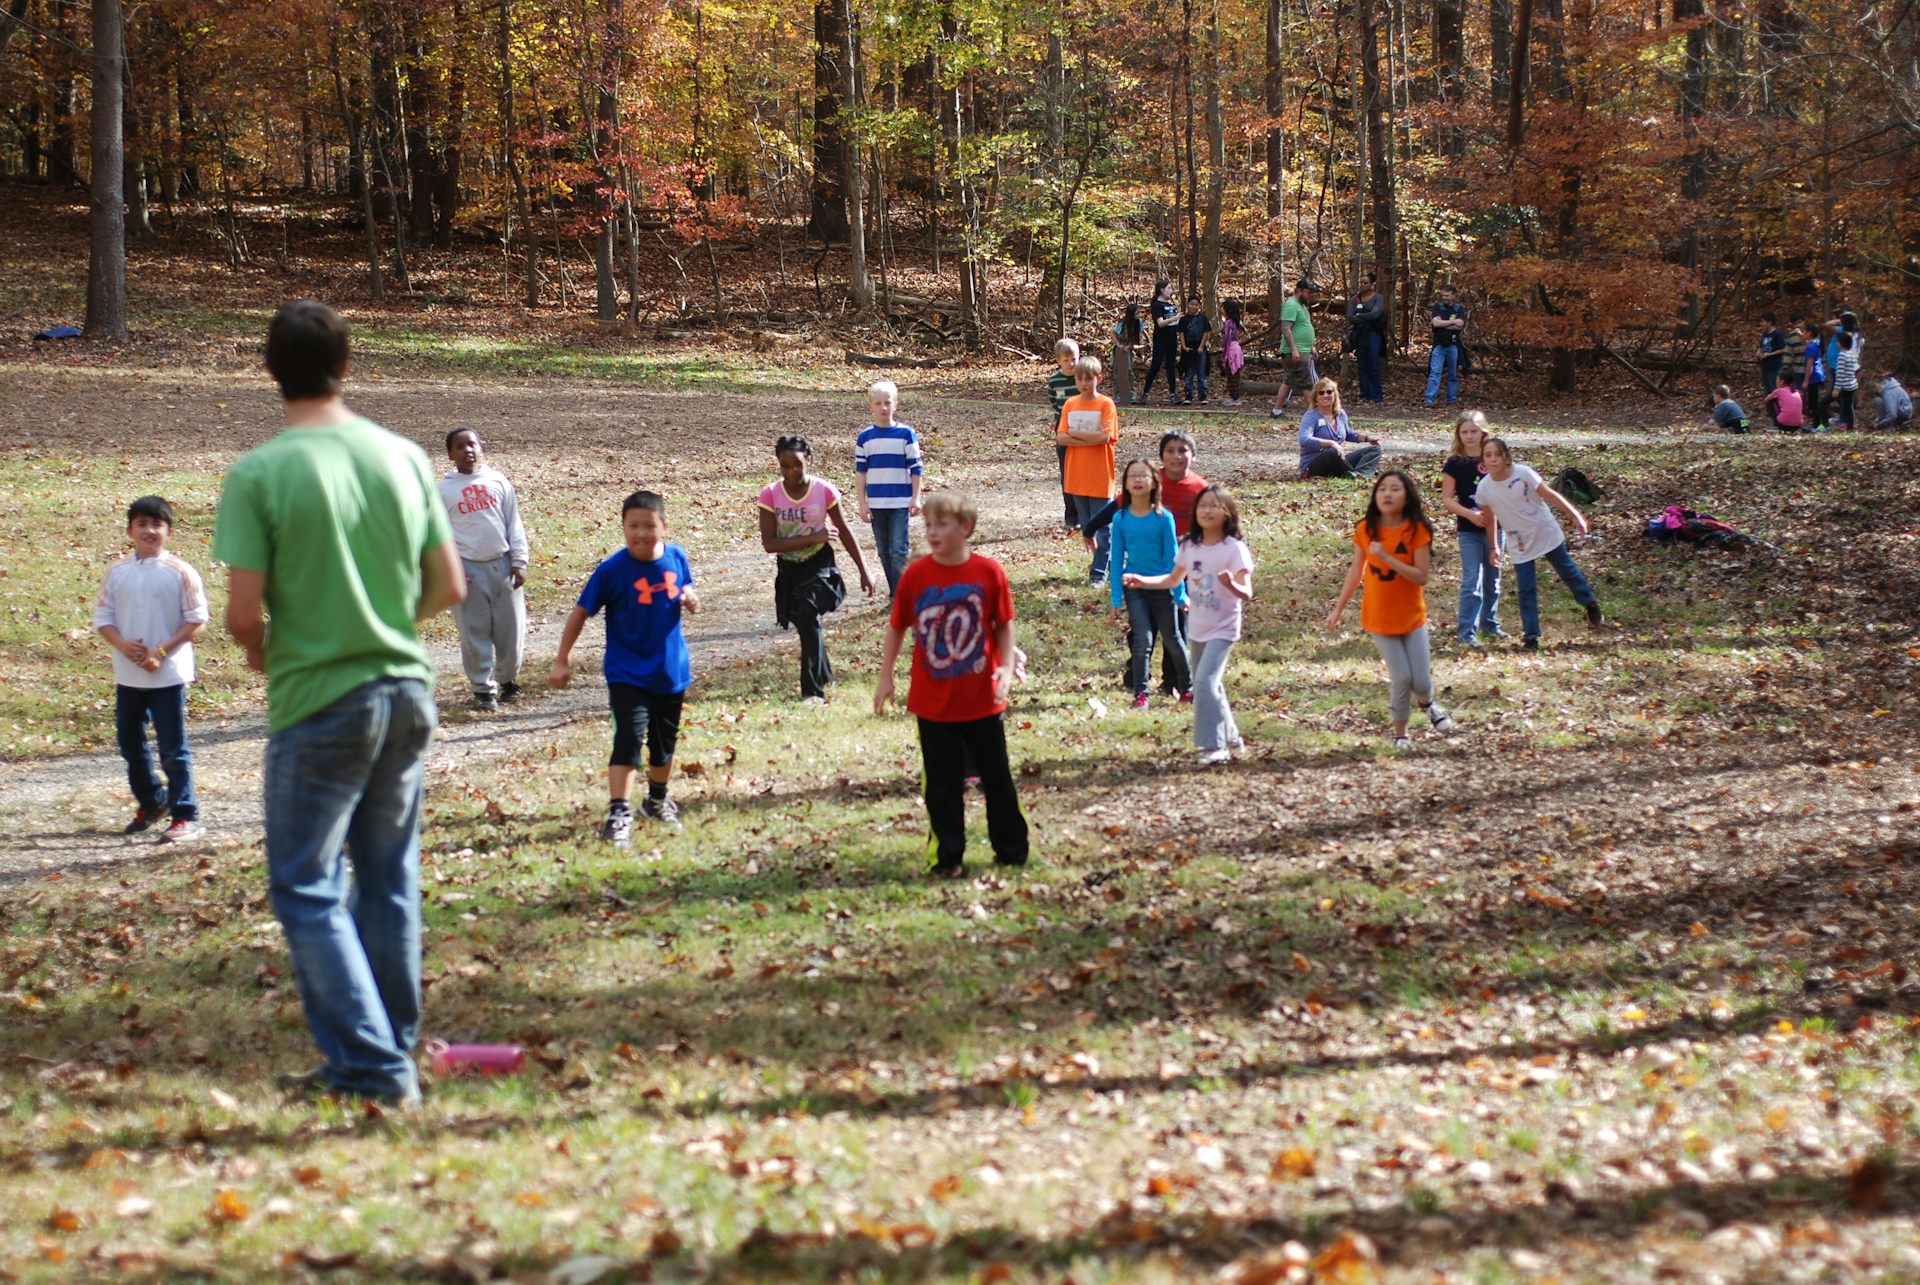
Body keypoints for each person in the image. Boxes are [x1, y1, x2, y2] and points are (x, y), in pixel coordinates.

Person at [215, 299, 466, 1108]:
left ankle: (372, 1065)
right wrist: (383, 623)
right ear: (347, 364)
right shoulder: (401, 457)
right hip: (404, 690)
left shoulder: (259, 473)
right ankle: (390, 1051)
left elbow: (244, 618)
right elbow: (449, 586)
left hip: (321, 701)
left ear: (270, 371)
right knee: (389, 875)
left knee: (305, 884)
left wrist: (274, 651)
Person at [873, 491, 1029, 877]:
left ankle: (1011, 850)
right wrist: (885, 678)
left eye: (942, 524)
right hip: (933, 702)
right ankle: (947, 858)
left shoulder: (988, 572)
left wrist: (1005, 669)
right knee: (941, 787)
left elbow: (1004, 625)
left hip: (981, 700)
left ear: (966, 528)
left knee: (996, 779)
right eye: (927, 525)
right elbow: (897, 627)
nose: (933, 532)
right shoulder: (916, 575)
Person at [550, 490, 699, 845]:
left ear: (663, 526)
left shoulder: (676, 556)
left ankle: (657, 801)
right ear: (623, 528)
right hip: (627, 673)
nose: (641, 533)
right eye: (633, 526)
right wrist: (562, 659)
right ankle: (619, 813)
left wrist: (692, 597)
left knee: (664, 746)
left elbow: (688, 587)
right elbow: (580, 612)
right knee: (628, 739)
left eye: (649, 525)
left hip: (671, 672)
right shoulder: (612, 570)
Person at [94, 495, 209, 841]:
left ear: (169, 531)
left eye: (157, 524)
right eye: (142, 524)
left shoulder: (181, 571)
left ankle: (185, 814)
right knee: (130, 743)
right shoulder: (117, 572)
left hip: (168, 675)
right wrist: (122, 644)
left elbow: (197, 620)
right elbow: (103, 618)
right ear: (130, 530)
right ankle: (152, 800)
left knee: (173, 748)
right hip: (128, 675)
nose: (149, 530)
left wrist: (162, 650)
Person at [1324, 470, 1456, 751]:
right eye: (1382, 488)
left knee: (1421, 681)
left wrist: (1387, 557)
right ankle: (1401, 735)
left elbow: (1421, 577)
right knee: (1402, 677)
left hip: (1412, 617)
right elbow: (1355, 571)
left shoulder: (1416, 529)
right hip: (1378, 618)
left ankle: (1428, 704)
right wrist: (1338, 610)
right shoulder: (1366, 529)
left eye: (1395, 489)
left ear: (1406, 496)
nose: (1387, 494)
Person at [1127, 485, 1254, 764]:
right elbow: (1172, 580)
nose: (1207, 510)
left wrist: (1231, 583)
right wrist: (1142, 580)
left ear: (1227, 512)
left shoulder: (1234, 549)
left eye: (1214, 505)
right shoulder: (1189, 545)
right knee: (1212, 686)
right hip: (1198, 627)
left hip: (1224, 627)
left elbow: (1247, 593)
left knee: (1204, 683)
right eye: (1202, 505)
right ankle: (1232, 736)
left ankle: (1213, 747)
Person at [1082, 429, 1208, 695]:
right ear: (1161, 456)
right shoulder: (1149, 480)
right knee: (1142, 627)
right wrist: (1090, 528)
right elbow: (1118, 506)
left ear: (1193, 456)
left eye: (1183, 450)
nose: (1176, 456)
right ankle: (1137, 675)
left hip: (1182, 568)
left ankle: (1173, 681)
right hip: (1142, 570)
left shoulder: (1201, 489)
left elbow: (1217, 522)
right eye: (1170, 451)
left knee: (1176, 629)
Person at [757, 434, 874, 703]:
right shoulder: (770, 495)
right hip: (789, 570)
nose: (791, 471)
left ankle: (812, 692)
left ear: (808, 460)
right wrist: (813, 536)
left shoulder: (824, 490)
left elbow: (843, 531)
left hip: (820, 566)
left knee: (809, 613)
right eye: (785, 466)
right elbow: (770, 543)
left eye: (797, 465)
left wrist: (864, 571)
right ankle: (826, 675)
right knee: (803, 622)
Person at [1473, 435, 1604, 651]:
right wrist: (1495, 546)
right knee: (1526, 588)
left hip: (1545, 532)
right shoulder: (1485, 489)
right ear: (1483, 461)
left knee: (1568, 571)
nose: (1493, 459)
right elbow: (1491, 519)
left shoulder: (1524, 473)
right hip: (1520, 543)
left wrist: (1576, 515)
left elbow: (1550, 495)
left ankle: (1589, 602)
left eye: (1498, 455)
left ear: (1506, 457)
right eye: (1488, 456)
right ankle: (1531, 637)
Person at [438, 427, 529, 711]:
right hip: (467, 570)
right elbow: (439, 534)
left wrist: (519, 560)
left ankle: (508, 680)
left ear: (480, 448)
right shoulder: (443, 491)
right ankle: (482, 688)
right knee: (473, 629)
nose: (467, 450)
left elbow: (513, 523)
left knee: (510, 628)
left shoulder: (498, 482)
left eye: (472, 444)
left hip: (501, 565)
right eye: (460, 446)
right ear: (451, 454)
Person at [1111, 459, 1192, 709]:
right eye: (1132, 476)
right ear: (1124, 483)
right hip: (1134, 589)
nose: (1137, 480)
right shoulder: (1121, 519)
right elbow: (1116, 561)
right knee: (1142, 641)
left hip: (1163, 587)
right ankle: (1141, 693)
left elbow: (1173, 559)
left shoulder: (1163, 518)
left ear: (1154, 482)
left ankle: (1187, 687)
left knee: (1173, 637)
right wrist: (1116, 599)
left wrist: (1180, 595)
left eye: (1143, 476)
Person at [1438, 410, 1503, 648]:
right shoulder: (1455, 463)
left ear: (1483, 431)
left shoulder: (1493, 457)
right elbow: (1447, 499)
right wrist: (1470, 514)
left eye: (1474, 431)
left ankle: (1490, 623)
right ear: (1458, 434)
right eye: (1464, 432)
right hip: (1469, 529)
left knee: (1493, 579)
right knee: (1471, 581)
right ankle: (1466, 631)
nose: (1469, 436)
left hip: (1496, 528)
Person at [854, 380, 924, 596]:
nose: (883, 408)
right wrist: (862, 503)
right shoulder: (865, 437)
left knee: (898, 549)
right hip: (876, 502)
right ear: (870, 407)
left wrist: (916, 498)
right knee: (884, 550)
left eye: (887, 403)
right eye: (878, 404)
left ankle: (903, 594)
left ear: (896, 404)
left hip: (900, 502)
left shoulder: (905, 434)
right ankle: (896, 592)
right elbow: (861, 472)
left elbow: (916, 468)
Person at [1056, 355, 1120, 585]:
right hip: (1076, 477)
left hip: (1100, 476)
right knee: (1088, 528)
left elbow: (1105, 436)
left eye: (1088, 379)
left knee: (1103, 527)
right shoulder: (1070, 404)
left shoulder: (1106, 404)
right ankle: (1109, 565)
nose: (1084, 383)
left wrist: (1077, 436)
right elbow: (1061, 437)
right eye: (1080, 379)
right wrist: (1088, 439)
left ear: (1098, 379)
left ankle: (1098, 573)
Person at [1297, 378, 1382, 479]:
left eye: (1329, 392)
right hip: (1313, 466)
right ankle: (1364, 471)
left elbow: (1349, 434)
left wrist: (1368, 438)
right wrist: (1332, 443)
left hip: (1338, 461)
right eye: (1321, 393)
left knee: (1374, 450)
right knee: (1332, 451)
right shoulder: (1311, 416)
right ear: (1316, 397)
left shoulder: (1340, 414)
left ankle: (1359, 474)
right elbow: (1304, 439)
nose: (1325, 395)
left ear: (1335, 395)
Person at [1269, 278, 1320, 417]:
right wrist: (1294, 349)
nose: (1311, 296)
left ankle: (1277, 410)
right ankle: (1313, 414)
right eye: (1309, 292)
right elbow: (1286, 329)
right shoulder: (1291, 305)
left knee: (1288, 381)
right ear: (1299, 290)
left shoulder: (1302, 306)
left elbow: (1304, 327)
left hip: (1304, 349)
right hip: (1296, 351)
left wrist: (1312, 347)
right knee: (1306, 383)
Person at [1047, 339, 1081, 527]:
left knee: (1083, 470)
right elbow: (1054, 402)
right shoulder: (1054, 381)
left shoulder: (1082, 378)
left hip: (1083, 424)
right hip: (1064, 426)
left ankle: (1085, 513)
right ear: (1059, 361)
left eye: (1074, 359)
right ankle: (1071, 516)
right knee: (1066, 471)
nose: (1071, 364)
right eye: (1067, 360)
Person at [1424, 283, 1467, 407]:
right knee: (1435, 372)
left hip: (1453, 345)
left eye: (1447, 296)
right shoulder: (1438, 307)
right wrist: (1452, 323)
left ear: (1453, 296)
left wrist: (1444, 323)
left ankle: (1451, 399)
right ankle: (1430, 399)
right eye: (1443, 295)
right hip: (1439, 345)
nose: (1445, 298)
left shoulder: (1458, 308)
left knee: (1453, 373)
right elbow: (1435, 324)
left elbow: (1460, 324)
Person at [1349, 273, 1388, 404]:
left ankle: (1376, 396)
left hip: (1373, 335)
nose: (1362, 285)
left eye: (1365, 283)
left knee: (1373, 365)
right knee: (1362, 365)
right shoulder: (1355, 299)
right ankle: (1364, 394)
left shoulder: (1378, 298)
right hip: (1359, 335)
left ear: (1372, 284)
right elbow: (1350, 316)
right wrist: (1365, 316)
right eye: (1361, 282)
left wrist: (1360, 315)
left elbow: (1376, 314)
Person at [1143, 279, 1181, 405]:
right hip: (1160, 340)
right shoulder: (1157, 306)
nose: (1171, 291)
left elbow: (1174, 323)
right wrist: (1174, 318)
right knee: (1156, 365)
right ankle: (1145, 393)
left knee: (1171, 366)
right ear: (1161, 290)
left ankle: (1172, 393)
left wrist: (1178, 320)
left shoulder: (1170, 305)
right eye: (1169, 288)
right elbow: (1160, 323)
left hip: (1172, 339)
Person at [1178, 295, 1212, 404]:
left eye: (1196, 305)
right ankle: (1188, 395)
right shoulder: (1184, 319)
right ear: (1188, 305)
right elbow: (1181, 333)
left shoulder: (1203, 318)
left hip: (1200, 348)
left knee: (1201, 372)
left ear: (1199, 306)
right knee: (1189, 372)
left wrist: (1202, 346)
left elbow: (1206, 332)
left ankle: (1202, 395)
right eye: (1191, 304)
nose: (1193, 307)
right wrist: (1183, 346)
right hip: (1188, 349)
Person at [1112, 303, 1142, 406]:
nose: (1139, 315)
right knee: (1118, 371)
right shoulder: (1123, 324)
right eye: (1137, 313)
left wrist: (1129, 346)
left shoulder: (1139, 322)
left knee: (1129, 371)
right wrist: (1119, 345)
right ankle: (1118, 395)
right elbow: (1114, 334)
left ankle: (1130, 393)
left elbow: (1136, 336)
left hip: (1128, 348)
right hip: (1120, 348)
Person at [1831, 331, 1860, 431]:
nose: (1836, 343)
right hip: (1853, 384)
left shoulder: (1842, 356)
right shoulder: (1852, 354)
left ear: (1842, 343)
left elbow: (1840, 374)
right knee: (1849, 406)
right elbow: (1856, 368)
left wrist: (1836, 389)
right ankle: (1850, 425)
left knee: (1847, 407)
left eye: (1838, 341)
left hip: (1846, 386)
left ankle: (1850, 427)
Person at [1220, 299, 1247, 406]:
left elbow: (1227, 339)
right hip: (1236, 348)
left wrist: (1224, 353)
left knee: (1232, 375)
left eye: (1223, 308)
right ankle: (1234, 396)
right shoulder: (1235, 322)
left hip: (1231, 350)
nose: (1221, 310)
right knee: (1234, 375)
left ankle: (1235, 398)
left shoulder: (1228, 323)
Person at [1755, 312, 1785, 393]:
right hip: (1765, 366)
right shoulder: (1765, 335)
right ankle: (1769, 405)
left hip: (1774, 366)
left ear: (1769, 322)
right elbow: (1762, 347)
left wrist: (1770, 354)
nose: (1761, 324)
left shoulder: (1777, 334)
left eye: (1763, 321)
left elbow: (1783, 349)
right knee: (1767, 390)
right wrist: (1759, 352)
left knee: (1774, 389)